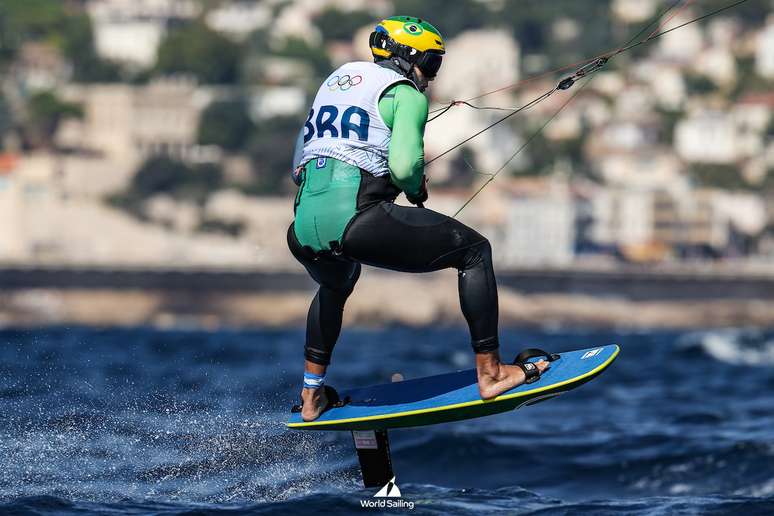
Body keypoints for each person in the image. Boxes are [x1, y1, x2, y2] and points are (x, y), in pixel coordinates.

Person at [288, 16, 548, 421]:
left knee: (337, 283)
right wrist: (414, 188)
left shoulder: (337, 81)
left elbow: (299, 156)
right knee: (475, 252)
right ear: (407, 58)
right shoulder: (405, 93)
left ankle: (311, 396)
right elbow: (406, 164)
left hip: (302, 225)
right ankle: (492, 373)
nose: (430, 74)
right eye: (430, 62)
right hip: (355, 218)